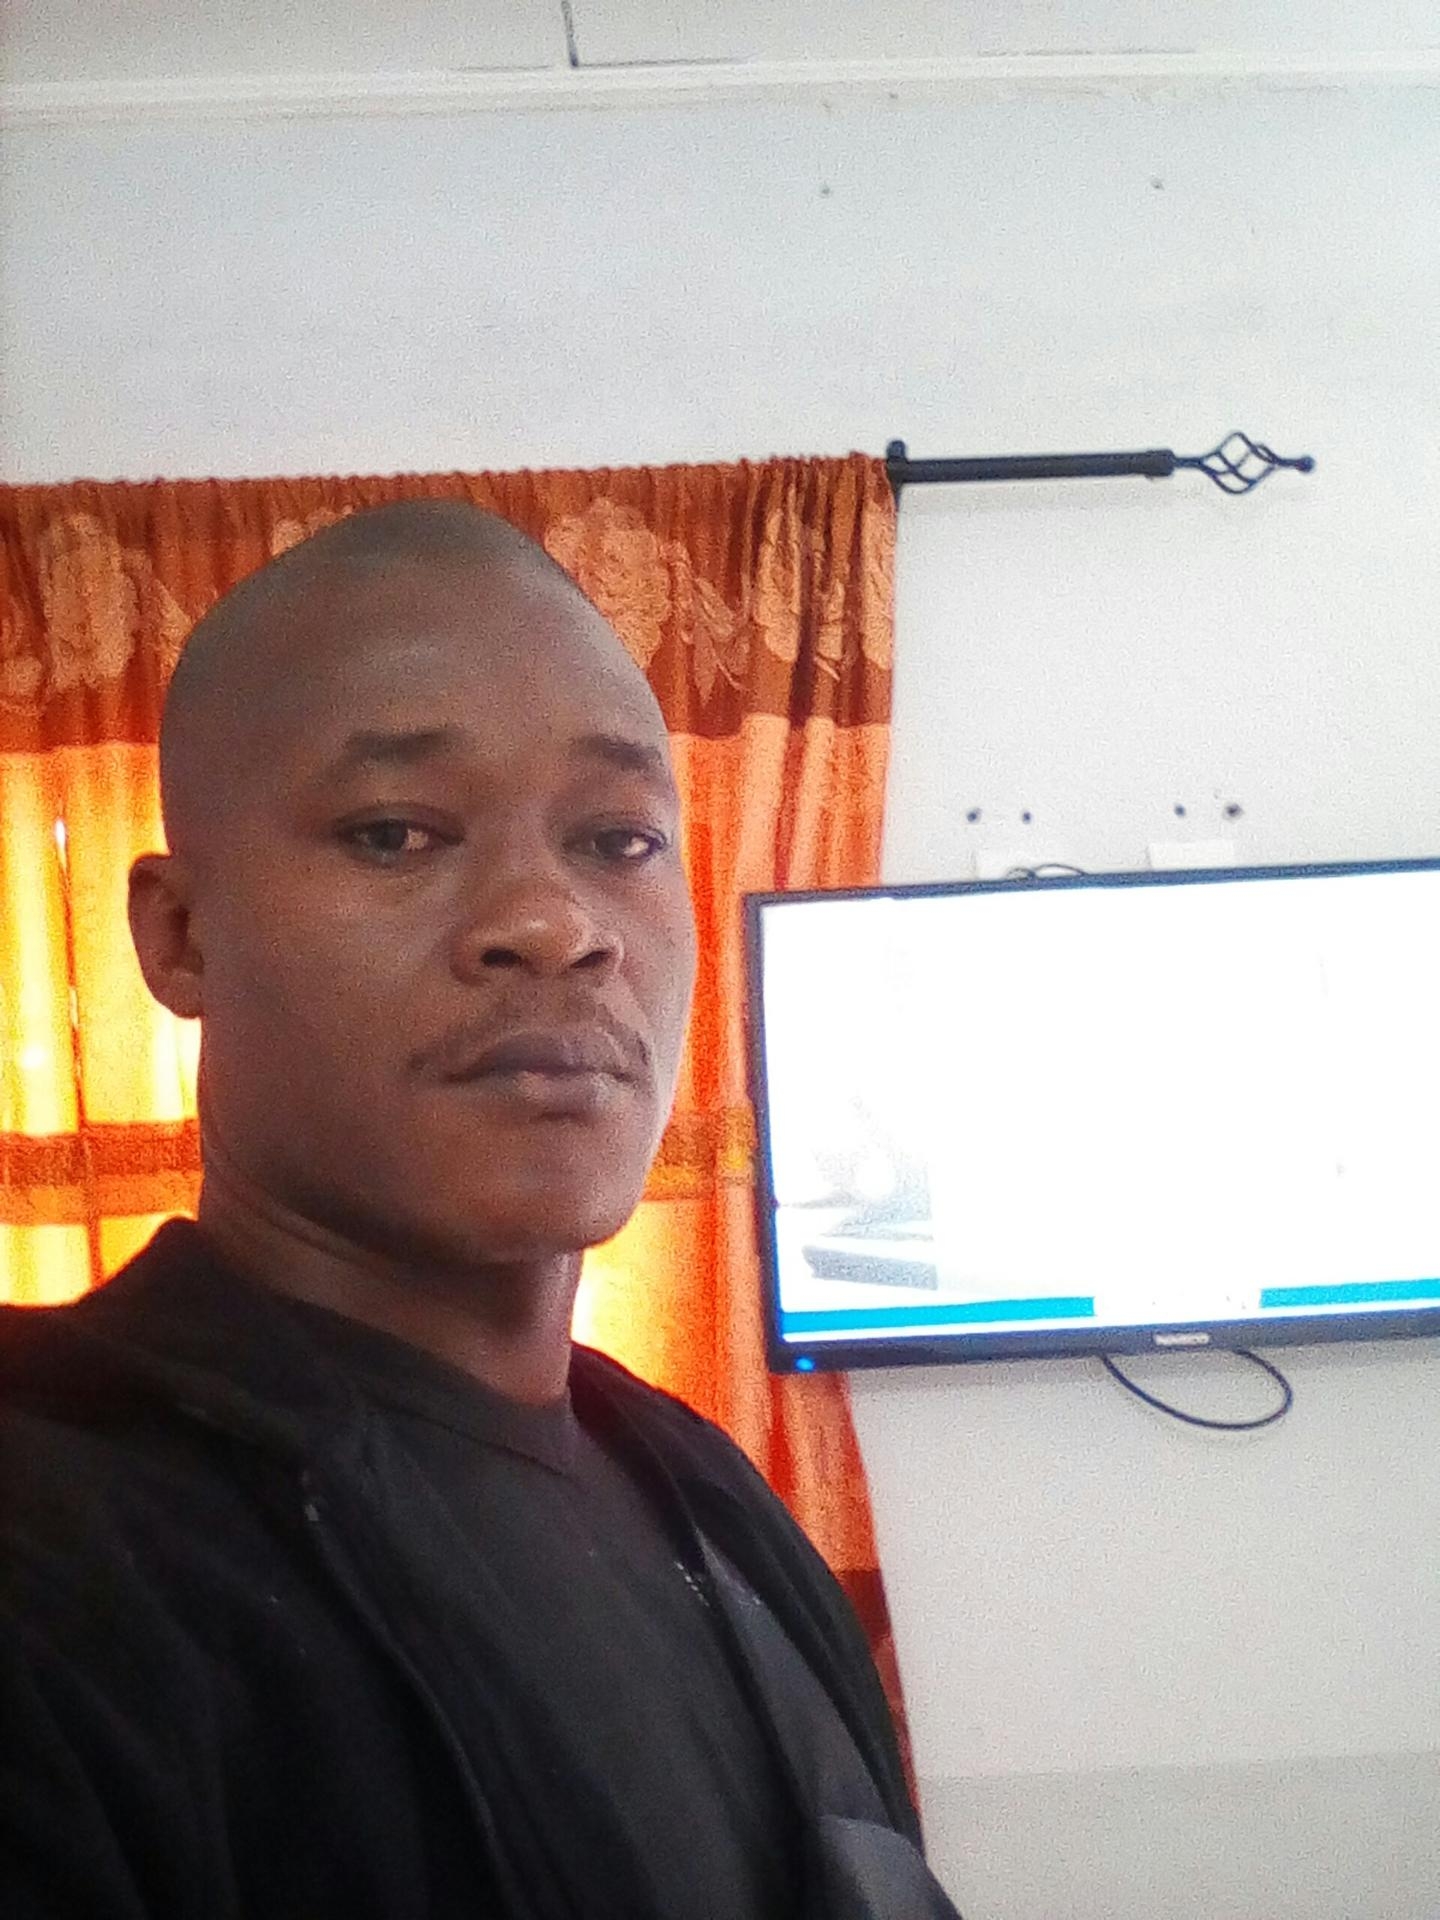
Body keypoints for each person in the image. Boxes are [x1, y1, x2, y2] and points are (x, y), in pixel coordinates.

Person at [0, 501, 961, 1918]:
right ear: (179, 934)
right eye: (396, 834)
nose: (554, 924)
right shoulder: (60, 1550)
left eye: (619, 840)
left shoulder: (707, 1502)